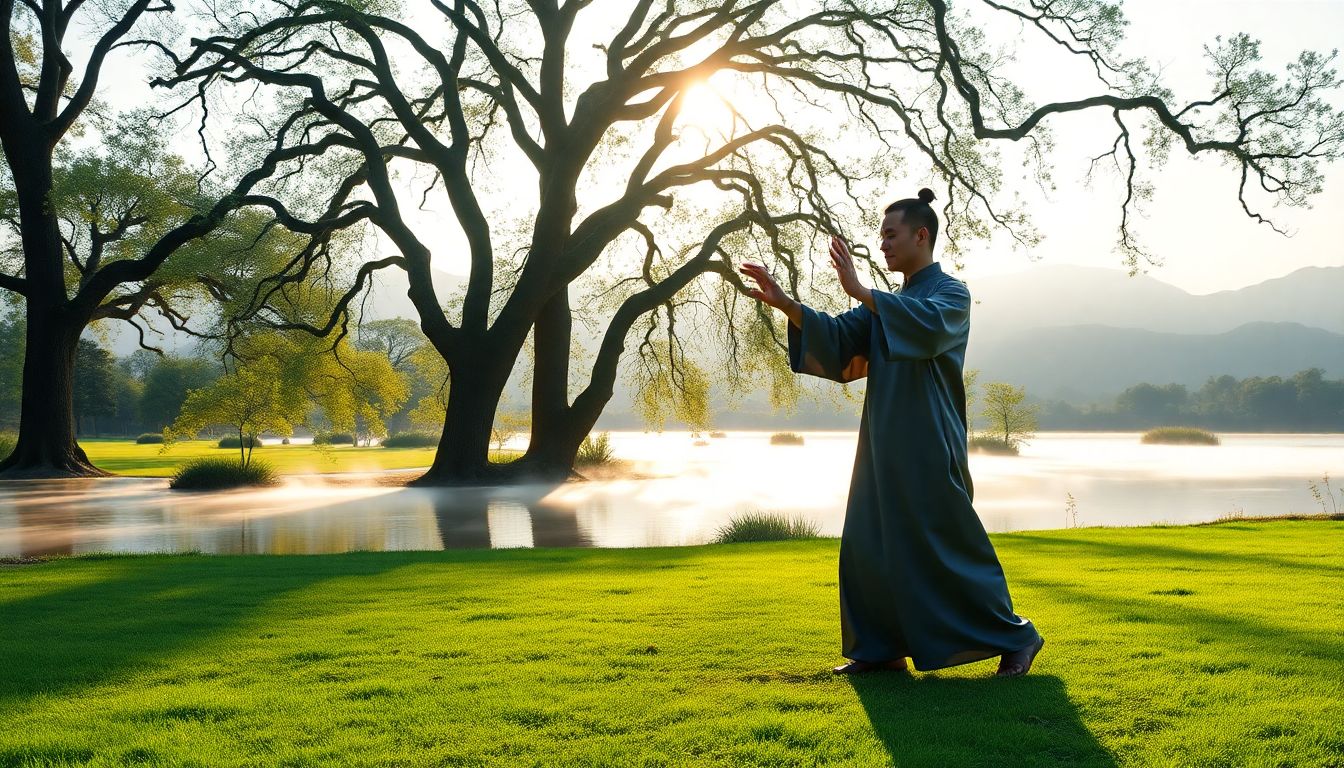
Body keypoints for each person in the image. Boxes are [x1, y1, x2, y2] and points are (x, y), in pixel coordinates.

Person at [738, 188, 1044, 677]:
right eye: (880, 236)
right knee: (870, 541)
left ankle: (1018, 637)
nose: (882, 245)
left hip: (928, 437)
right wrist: (786, 304)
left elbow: (925, 328)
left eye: (890, 235)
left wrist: (862, 291)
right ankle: (880, 650)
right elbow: (839, 338)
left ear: (921, 235)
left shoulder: (950, 294)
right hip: (880, 440)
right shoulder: (888, 304)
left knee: (945, 541)